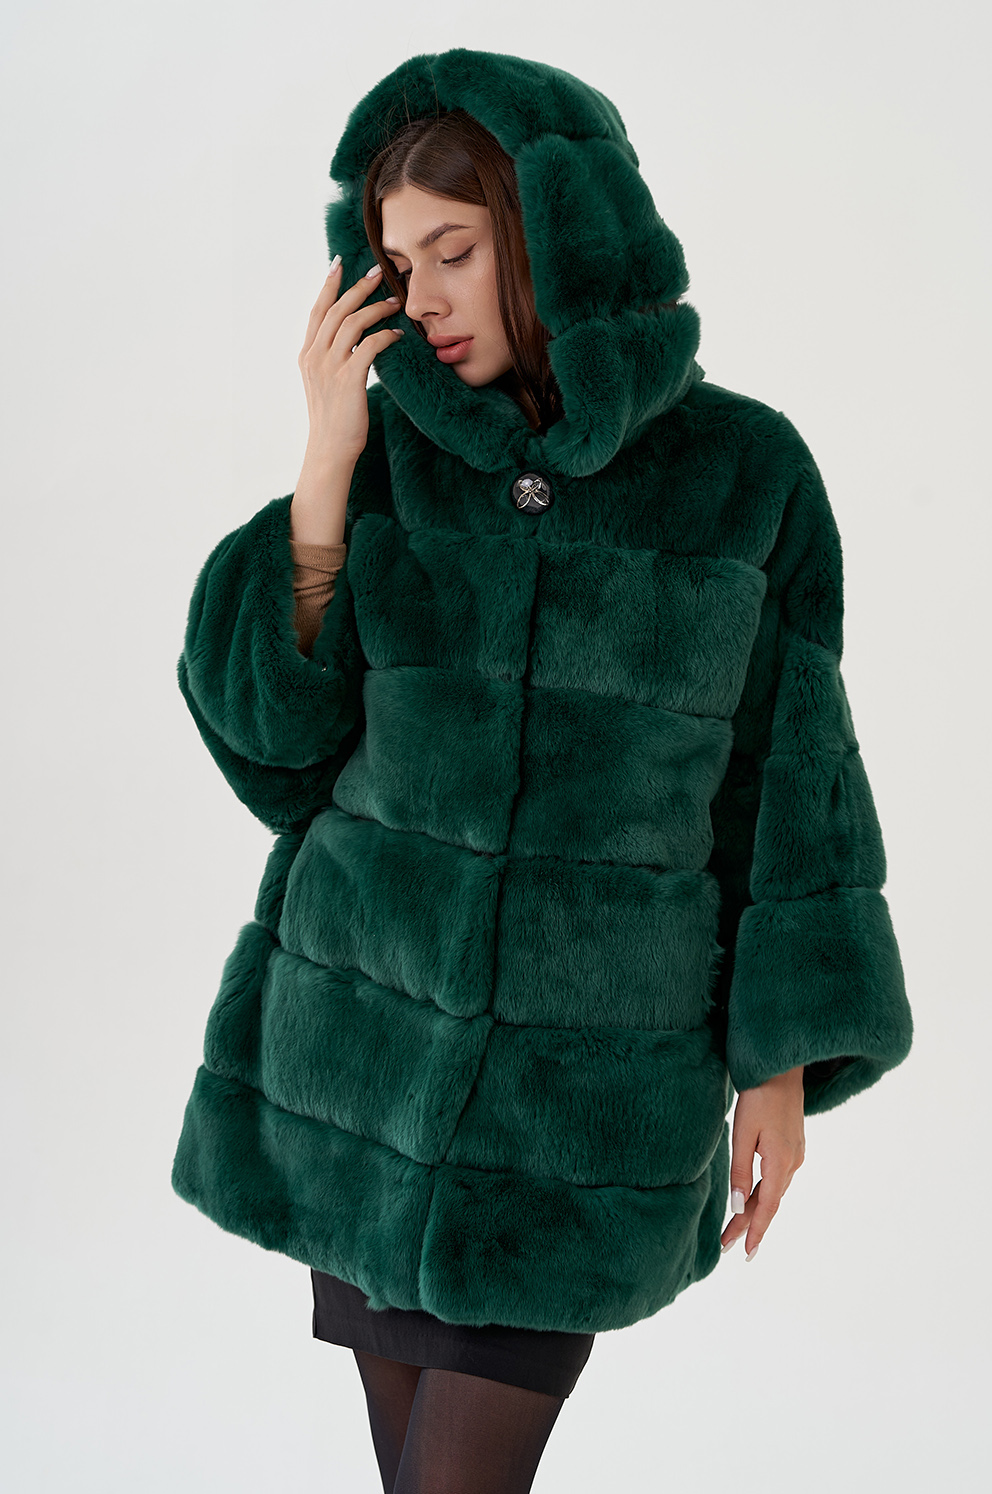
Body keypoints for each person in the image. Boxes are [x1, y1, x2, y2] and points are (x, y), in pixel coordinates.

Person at [171, 49, 914, 1494]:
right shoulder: (385, 464)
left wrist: (779, 1058)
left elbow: (793, 779)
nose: (425, 299)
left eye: (456, 250)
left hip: (575, 1109)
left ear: (555, 232)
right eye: (398, 266)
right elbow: (277, 756)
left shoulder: (744, 474)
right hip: (361, 1070)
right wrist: (325, 463)